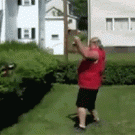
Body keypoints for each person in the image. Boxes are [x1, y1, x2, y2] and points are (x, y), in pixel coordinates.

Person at [73, 36, 106, 132]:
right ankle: (96, 119)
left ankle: (81, 126)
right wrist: (77, 45)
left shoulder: (96, 53)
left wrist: (78, 40)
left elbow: (86, 54)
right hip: (94, 83)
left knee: (81, 105)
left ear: (95, 44)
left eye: (90, 43)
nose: (88, 45)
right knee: (91, 104)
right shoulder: (99, 51)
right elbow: (83, 50)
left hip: (88, 84)